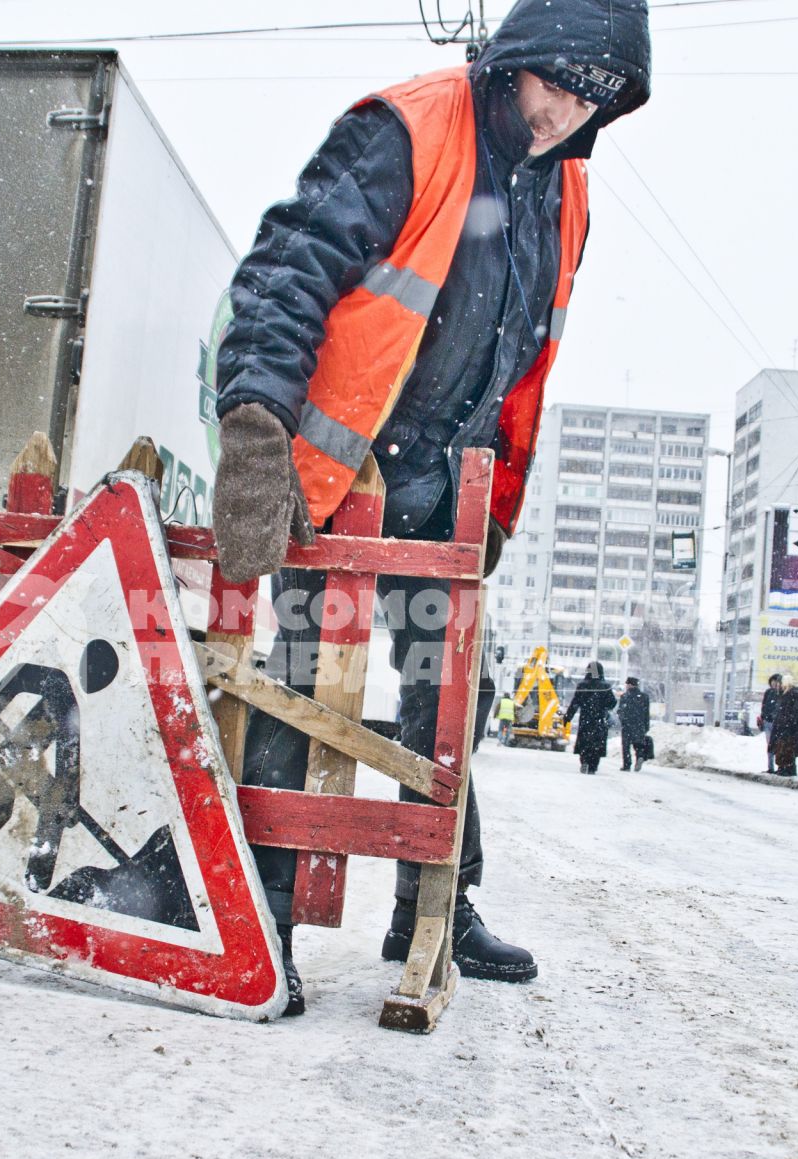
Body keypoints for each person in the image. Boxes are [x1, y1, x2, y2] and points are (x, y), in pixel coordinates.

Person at [207, 0, 653, 1014]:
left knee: (446, 695)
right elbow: (288, 273)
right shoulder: (409, 131)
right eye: (559, 85)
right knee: (303, 685)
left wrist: (498, 493)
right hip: (345, 472)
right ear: (522, 59)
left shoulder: (565, 191)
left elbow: (524, 358)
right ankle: (265, 907)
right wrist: (256, 422)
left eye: (593, 102)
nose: (565, 114)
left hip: (445, 484)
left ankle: (434, 905)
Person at [565, 661, 617, 775]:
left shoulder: (582, 685)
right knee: (597, 744)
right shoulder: (605, 687)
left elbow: (575, 703)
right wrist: (604, 706)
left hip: (585, 718)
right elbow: (612, 703)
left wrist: (567, 717)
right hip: (599, 719)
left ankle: (584, 761)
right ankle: (593, 766)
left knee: (585, 742)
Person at [771, 674, 798, 778]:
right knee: (782, 748)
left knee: (788, 748)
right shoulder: (785, 694)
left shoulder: (794, 694)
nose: (780, 685)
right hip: (784, 727)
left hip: (790, 728)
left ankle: (788, 768)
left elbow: (794, 713)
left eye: (781, 683)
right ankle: (783, 767)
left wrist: (786, 722)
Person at [617, 675, 652, 771]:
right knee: (638, 743)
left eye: (627, 684)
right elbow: (646, 712)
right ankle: (640, 756)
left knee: (626, 746)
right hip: (640, 724)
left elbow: (620, 711)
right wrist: (646, 725)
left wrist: (623, 720)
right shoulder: (644, 697)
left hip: (627, 725)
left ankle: (627, 765)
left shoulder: (625, 696)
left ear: (629, 685)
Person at [759, 673, 784, 774]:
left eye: (777, 682)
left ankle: (779, 766)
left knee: (777, 745)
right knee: (770, 745)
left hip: (777, 723)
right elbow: (764, 705)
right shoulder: (768, 692)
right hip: (767, 722)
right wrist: (763, 717)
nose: (774, 684)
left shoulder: (782, 693)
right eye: (773, 682)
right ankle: (770, 767)